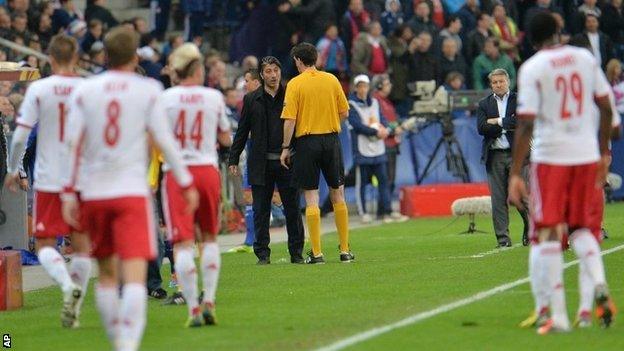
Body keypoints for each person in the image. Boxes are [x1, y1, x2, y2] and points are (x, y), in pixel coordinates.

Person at [61, 27, 198, 350]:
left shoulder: (85, 90)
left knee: (107, 275)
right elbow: (164, 141)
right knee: (135, 274)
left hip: (95, 193)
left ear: (104, 56)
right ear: (135, 54)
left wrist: (68, 191)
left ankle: (116, 341)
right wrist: (185, 180)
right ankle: (128, 344)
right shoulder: (148, 89)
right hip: (132, 192)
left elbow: (72, 144)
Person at [509, 13, 617, 334]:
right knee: (584, 229)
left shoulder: (532, 68)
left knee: (548, 234)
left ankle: (557, 316)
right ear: (559, 31)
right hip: (586, 156)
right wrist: (604, 152)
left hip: (551, 158)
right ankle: (599, 283)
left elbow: (526, 122)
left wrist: (516, 172)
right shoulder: (584, 58)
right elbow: (607, 107)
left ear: (530, 38)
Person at [4, 34, 91, 329]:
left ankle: (68, 287)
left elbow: (20, 136)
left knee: (44, 244)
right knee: (81, 245)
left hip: (50, 178)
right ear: (76, 58)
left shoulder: (40, 89)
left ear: (51, 60)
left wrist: (13, 168)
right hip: (81, 178)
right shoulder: (87, 89)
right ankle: (75, 307)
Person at [159, 43, 231, 327]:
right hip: (207, 170)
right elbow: (225, 138)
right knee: (210, 238)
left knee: (183, 242)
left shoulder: (166, 98)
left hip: (177, 173)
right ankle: (210, 299)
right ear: (198, 69)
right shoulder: (213, 97)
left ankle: (192, 309)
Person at [280, 42, 354, 264]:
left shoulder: (295, 84)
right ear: (316, 58)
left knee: (311, 196)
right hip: (331, 140)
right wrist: (330, 123)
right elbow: (345, 112)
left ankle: (317, 253)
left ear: (298, 61)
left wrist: (285, 147)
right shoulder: (331, 79)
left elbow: (290, 120)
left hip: (307, 142)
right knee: (337, 194)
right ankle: (344, 250)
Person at [229, 56, 305, 265]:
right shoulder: (251, 99)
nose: (272, 75)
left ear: (280, 72)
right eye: (268, 71)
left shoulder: (291, 95)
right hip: (260, 163)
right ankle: (262, 254)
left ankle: (296, 253)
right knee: (260, 210)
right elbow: (242, 131)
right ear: (261, 75)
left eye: (275, 70)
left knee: (292, 209)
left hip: (287, 161)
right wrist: (233, 158)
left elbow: (300, 128)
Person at [476, 68, 529, 248]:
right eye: (494, 82)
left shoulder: (520, 99)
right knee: (498, 200)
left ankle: (530, 230)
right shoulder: (484, 103)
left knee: (522, 197)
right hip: (495, 155)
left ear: (508, 82)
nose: (498, 85)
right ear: (491, 85)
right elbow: (481, 128)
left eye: (501, 81)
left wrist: (497, 121)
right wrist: (507, 123)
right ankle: (503, 239)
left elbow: (522, 122)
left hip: (518, 155)